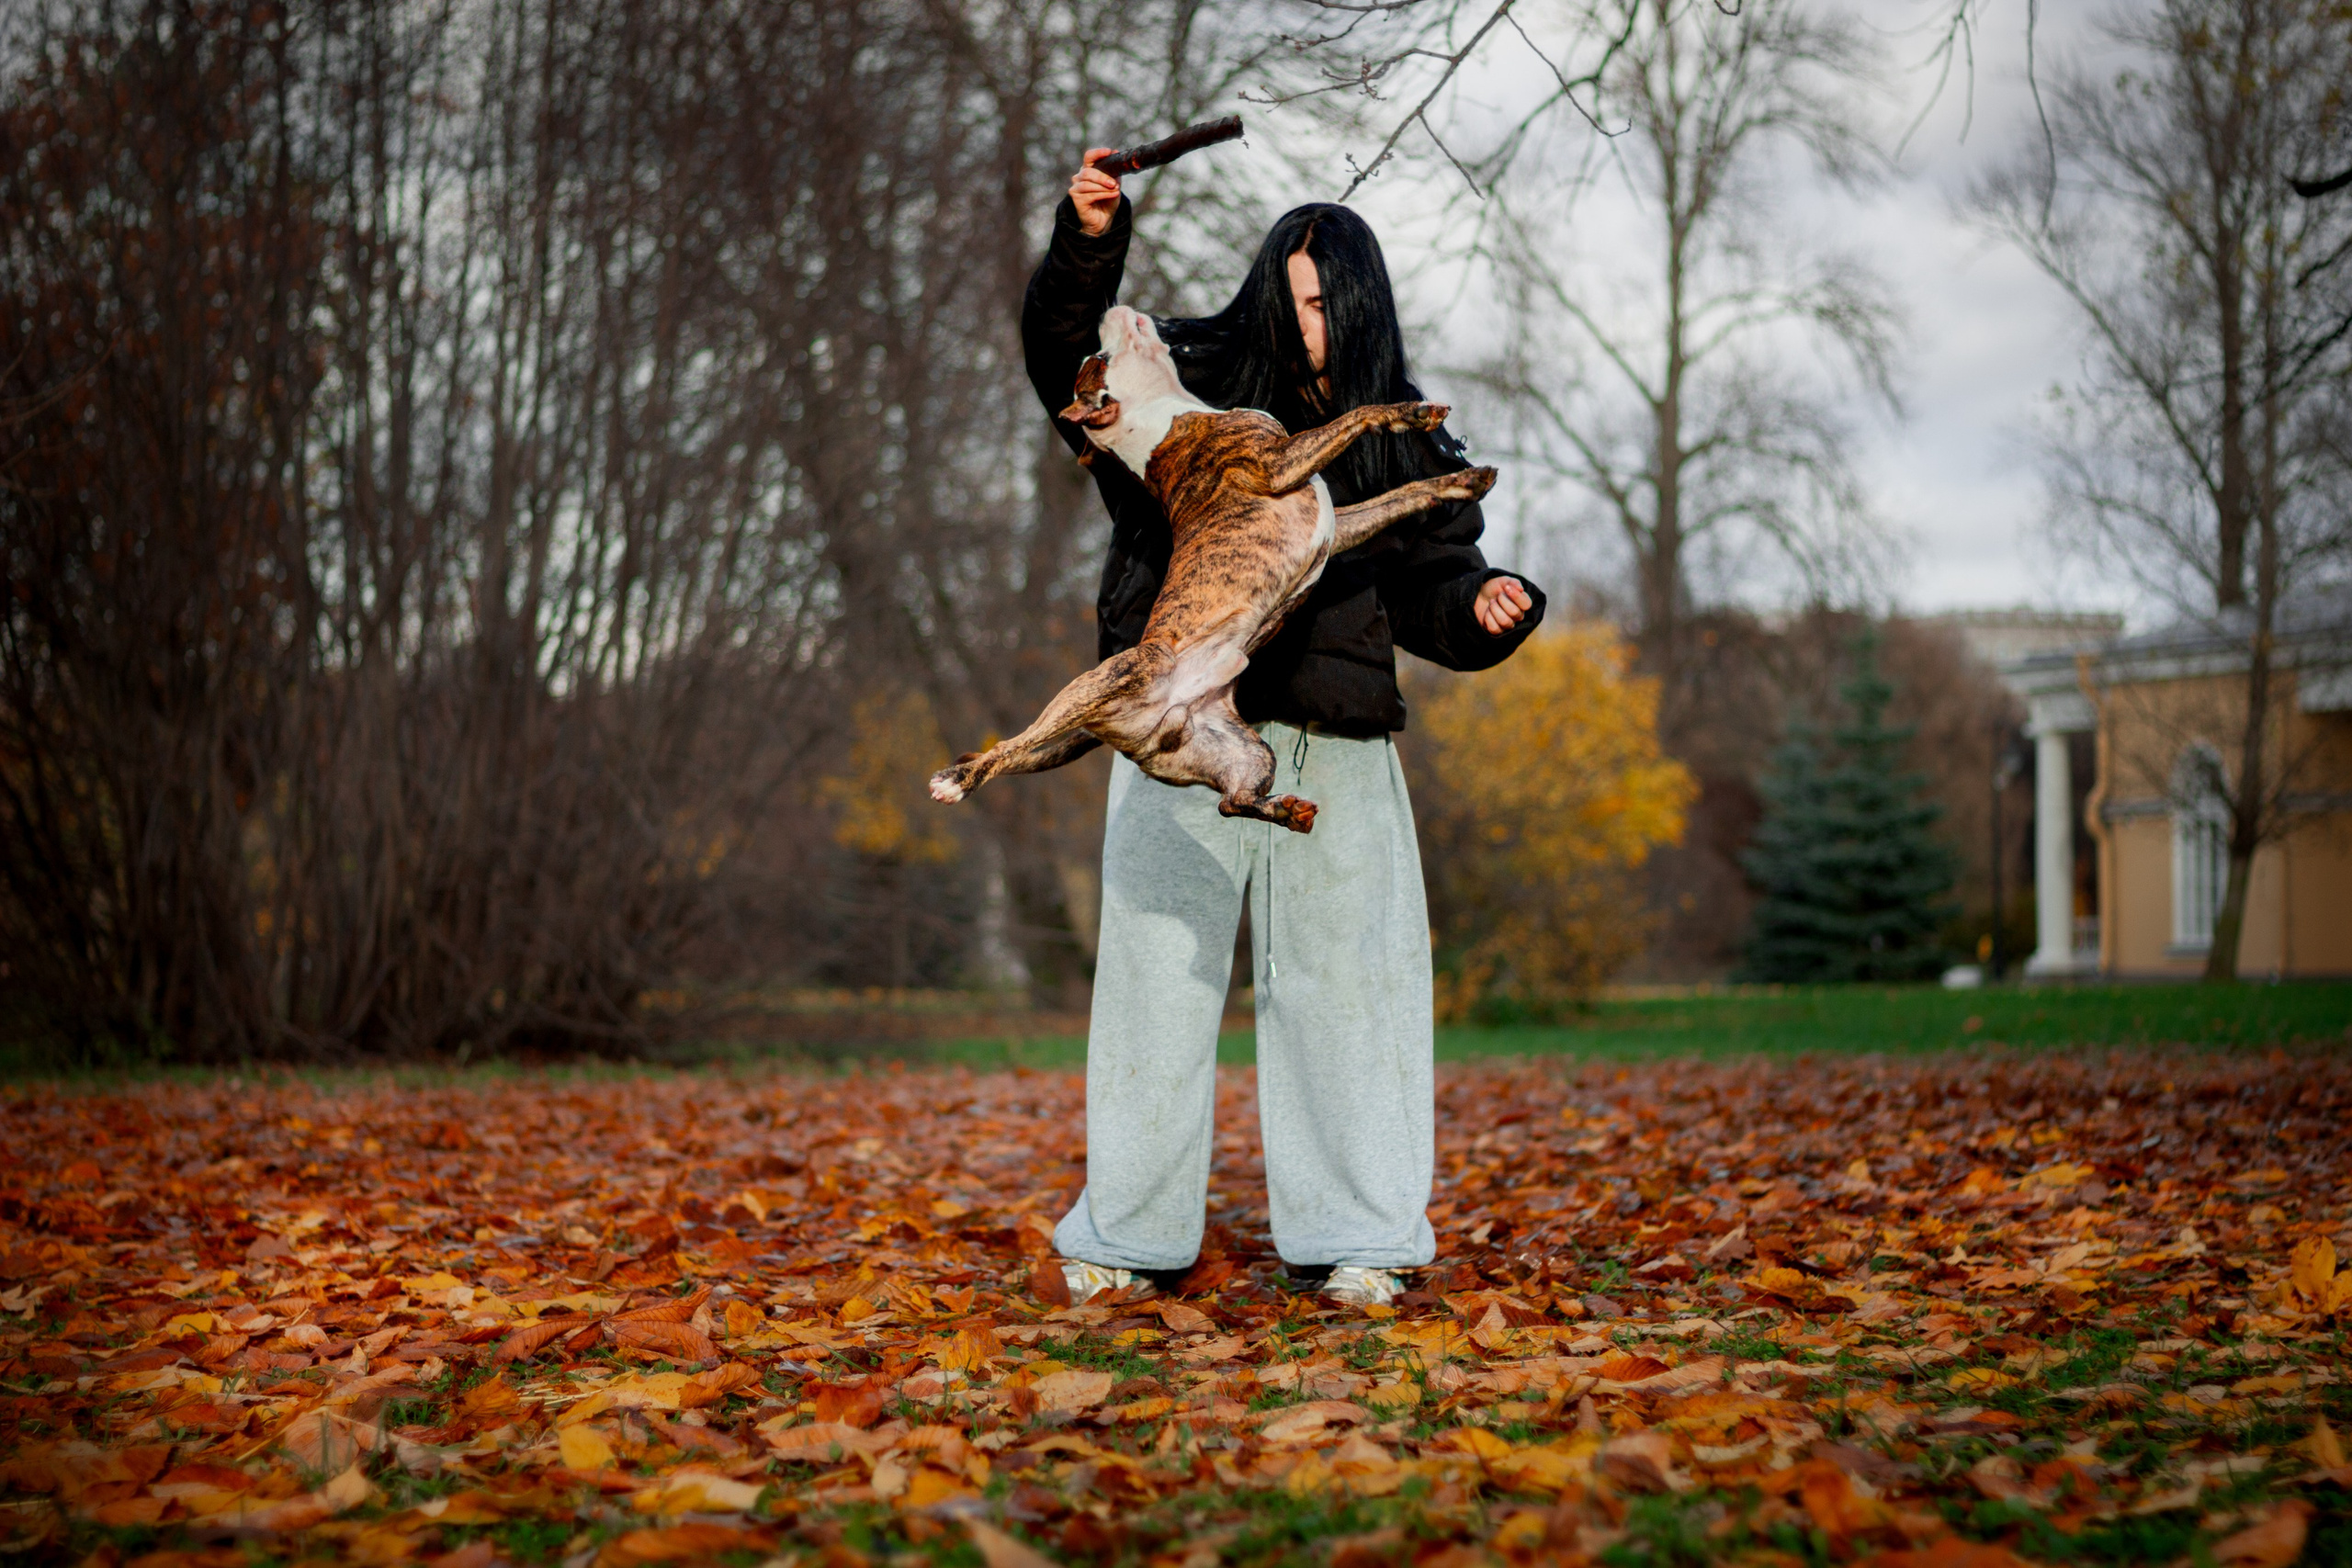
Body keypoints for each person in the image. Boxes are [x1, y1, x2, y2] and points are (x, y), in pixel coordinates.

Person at [1023, 151, 1545, 1309]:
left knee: (1348, 994)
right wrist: (1087, 241)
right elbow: (1062, 358)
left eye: (1331, 308)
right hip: (1176, 734)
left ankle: (1359, 1237)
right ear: (1270, 288)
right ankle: (1126, 1237)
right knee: (1153, 993)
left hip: (1332, 741)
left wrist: (1484, 607)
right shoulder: (1190, 384)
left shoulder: (1403, 433)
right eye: (1298, 300)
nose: (1313, 327)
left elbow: (1434, 590)